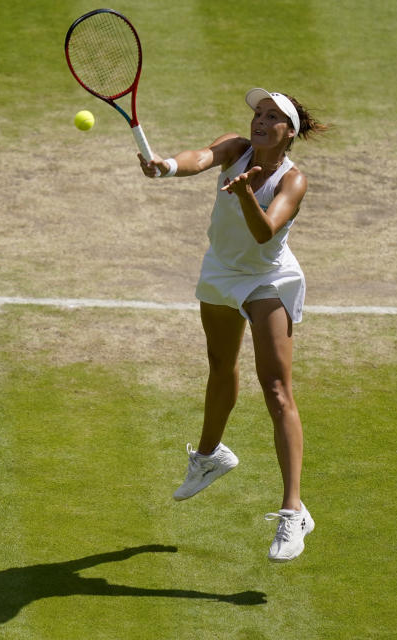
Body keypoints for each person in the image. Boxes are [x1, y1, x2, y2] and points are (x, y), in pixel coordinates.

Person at [138, 88, 328, 563]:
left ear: (290, 133)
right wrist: (165, 167)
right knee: (220, 367)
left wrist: (245, 192)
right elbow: (200, 157)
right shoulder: (234, 148)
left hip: (268, 277)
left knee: (276, 387)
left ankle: (293, 511)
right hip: (222, 271)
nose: (260, 122)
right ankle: (210, 457)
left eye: (273, 117)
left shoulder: (294, 180)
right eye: (258, 114)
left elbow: (264, 233)